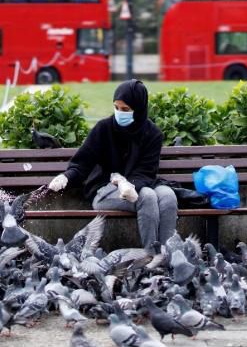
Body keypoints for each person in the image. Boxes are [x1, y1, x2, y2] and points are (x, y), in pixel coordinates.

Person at [47, 79, 178, 248]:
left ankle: (169, 256)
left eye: (125, 109)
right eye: (116, 107)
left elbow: (147, 171)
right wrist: (66, 177)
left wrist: (129, 184)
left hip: (139, 183)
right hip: (104, 190)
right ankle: (152, 255)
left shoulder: (152, 134)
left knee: (168, 196)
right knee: (147, 196)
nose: (119, 113)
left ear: (138, 110)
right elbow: (83, 162)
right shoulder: (103, 128)